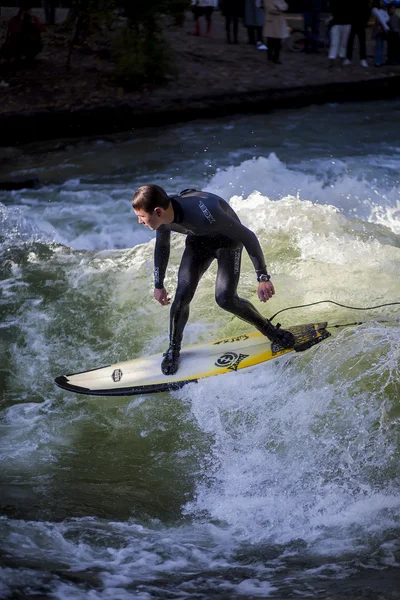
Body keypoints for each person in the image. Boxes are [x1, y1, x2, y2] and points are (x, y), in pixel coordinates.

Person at [132, 185, 295, 375]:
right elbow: (162, 246)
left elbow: (248, 236)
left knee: (225, 299)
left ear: (157, 211)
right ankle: (173, 349)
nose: (139, 221)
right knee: (182, 296)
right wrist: (158, 285)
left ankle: (271, 331)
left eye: (141, 216)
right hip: (198, 241)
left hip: (227, 243)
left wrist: (263, 277)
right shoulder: (162, 219)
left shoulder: (206, 214)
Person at [343, 0, 370, 67]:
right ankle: (348, 58)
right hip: (352, 22)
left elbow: (367, 10)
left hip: (361, 23)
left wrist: (365, 22)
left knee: (362, 41)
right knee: (350, 40)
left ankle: (363, 59)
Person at [262, 0, 289, 64]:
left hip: (279, 22)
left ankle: (276, 57)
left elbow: (286, 6)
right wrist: (280, 9)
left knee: (278, 41)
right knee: (270, 40)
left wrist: (279, 7)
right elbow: (271, 9)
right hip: (271, 22)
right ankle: (270, 56)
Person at [327, 0, 351, 67]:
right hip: (337, 22)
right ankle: (332, 59)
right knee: (335, 42)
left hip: (346, 22)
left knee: (343, 43)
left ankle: (340, 59)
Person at [371, 0, 390, 67]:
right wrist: (385, 25)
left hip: (381, 29)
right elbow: (381, 18)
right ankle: (377, 61)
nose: (382, 2)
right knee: (379, 45)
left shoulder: (381, 10)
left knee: (381, 45)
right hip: (379, 29)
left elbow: (387, 17)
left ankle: (380, 61)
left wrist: (384, 21)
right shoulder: (374, 9)